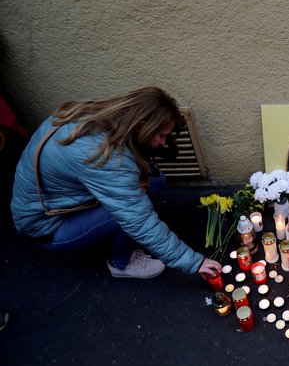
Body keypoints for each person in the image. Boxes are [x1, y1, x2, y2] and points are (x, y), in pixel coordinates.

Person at [11, 87, 221, 280]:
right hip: (47, 226)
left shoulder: (96, 115)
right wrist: (194, 262)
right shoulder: (102, 156)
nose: (162, 142)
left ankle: (106, 229)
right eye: (161, 135)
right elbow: (138, 220)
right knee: (128, 211)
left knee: (153, 181)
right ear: (141, 125)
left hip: (52, 202)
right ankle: (122, 263)